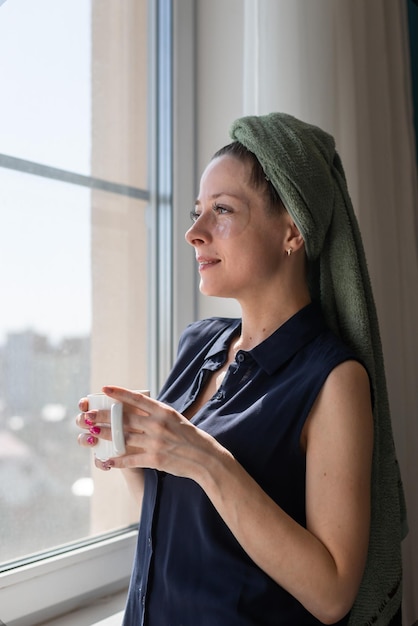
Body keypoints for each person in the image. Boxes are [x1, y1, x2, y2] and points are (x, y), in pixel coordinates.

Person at [77, 113, 406, 625]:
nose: (193, 232)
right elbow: (182, 516)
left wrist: (206, 459)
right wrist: (134, 447)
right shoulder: (198, 343)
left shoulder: (334, 380)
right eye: (196, 212)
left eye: (222, 210)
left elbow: (333, 593)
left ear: (292, 231)